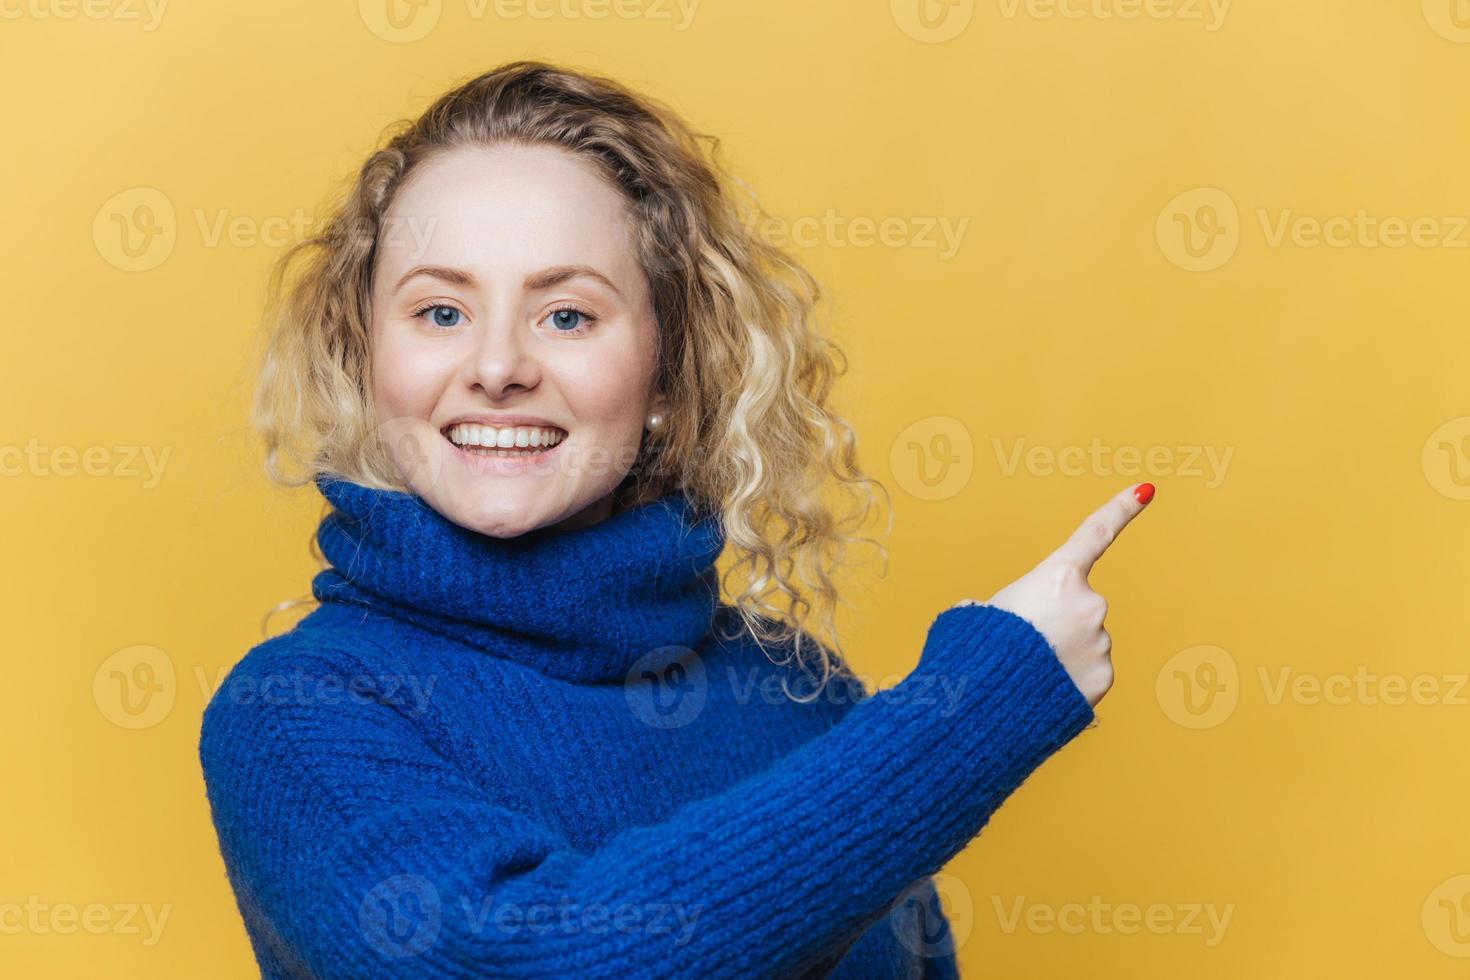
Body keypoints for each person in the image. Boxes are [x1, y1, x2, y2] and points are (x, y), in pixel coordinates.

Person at [198, 60, 1154, 978]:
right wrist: (972, 711)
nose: (496, 367)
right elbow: (527, 963)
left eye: (566, 315)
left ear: (667, 370)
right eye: (440, 313)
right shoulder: (298, 713)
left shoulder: (800, 692)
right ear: (366, 355)